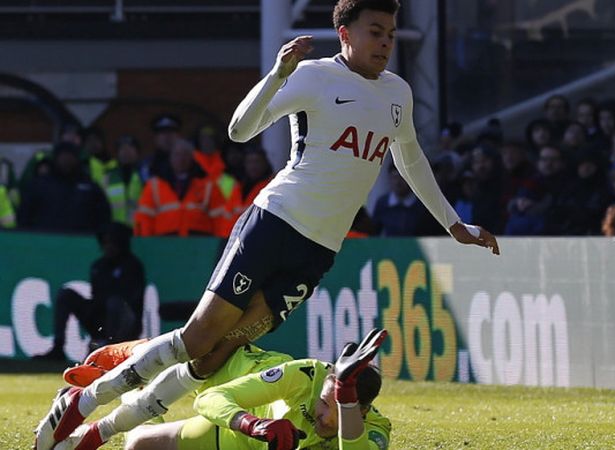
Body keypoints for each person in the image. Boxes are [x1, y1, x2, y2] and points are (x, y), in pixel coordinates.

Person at [34, 1, 499, 449]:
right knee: (199, 337)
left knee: (212, 357)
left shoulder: (398, 91)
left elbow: (411, 157)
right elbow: (239, 130)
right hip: (274, 223)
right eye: (374, 32)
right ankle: (84, 402)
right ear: (345, 34)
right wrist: (277, 75)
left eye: (391, 34)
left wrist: (454, 223)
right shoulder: (314, 77)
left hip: (317, 254)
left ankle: (96, 435)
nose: (385, 43)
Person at [54, 329, 390, 450]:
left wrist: (343, 396)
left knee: (138, 445)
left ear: (361, 410)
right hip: (234, 372)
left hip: (242, 442)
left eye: (336, 406)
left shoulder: (376, 432)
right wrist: (253, 423)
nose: (322, 413)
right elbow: (212, 400)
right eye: (323, 401)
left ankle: (135, 383)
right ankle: (137, 357)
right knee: (195, 354)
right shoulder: (304, 375)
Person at [32, 223, 145, 361]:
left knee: (114, 303)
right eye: (105, 242)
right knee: (66, 294)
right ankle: (58, 347)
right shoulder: (98, 267)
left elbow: (131, 303)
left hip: (125, 324)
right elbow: (96, 297)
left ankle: (110, 350)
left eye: (112, 243)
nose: (108, 247)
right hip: (100, 317)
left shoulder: (133, 267)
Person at [132, 139, 231, 238]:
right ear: (170, 157)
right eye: (177, 155)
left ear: (192, 158)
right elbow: (144, 218)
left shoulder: (207, 185)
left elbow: (220, 219)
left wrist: (220, 245)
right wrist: (146, 244)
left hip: (200, 245)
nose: (181, 159)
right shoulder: (155, 185)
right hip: (163, 245)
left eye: (185, 155)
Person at [18, 142, 111, 234]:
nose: (66, 160)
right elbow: (24, 215)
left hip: (81, 243)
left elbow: (103, 217)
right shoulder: (39, 185)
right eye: (63, 156)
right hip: (44, 241)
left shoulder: (90, 187)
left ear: (76, 158)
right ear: (56, 158)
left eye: (70, 156)